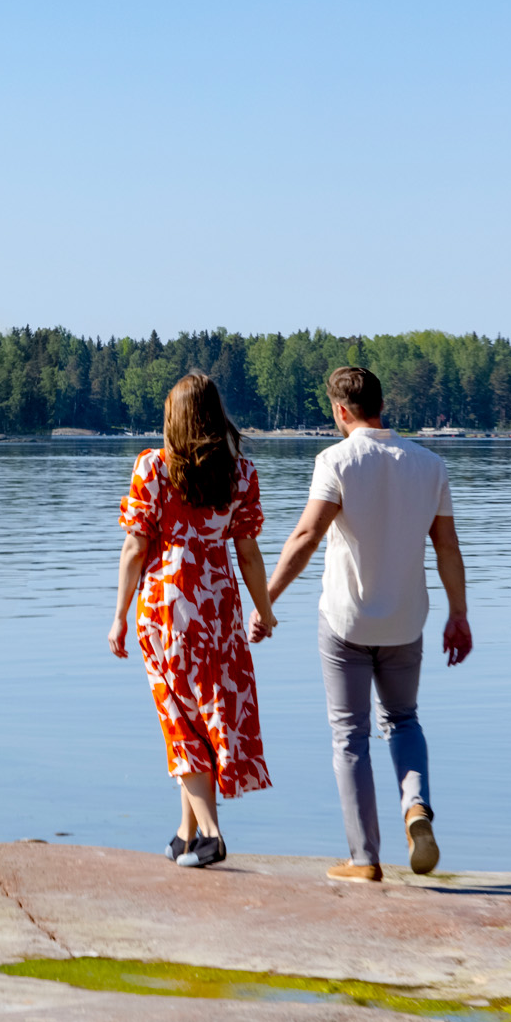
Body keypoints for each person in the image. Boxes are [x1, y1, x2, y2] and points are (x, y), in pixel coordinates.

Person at [262, 366, 472, 882]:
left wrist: (264, 602)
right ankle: (416, 808)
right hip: (406, 620)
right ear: (381, 405)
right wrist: (459, 614)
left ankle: (364, 859)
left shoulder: (335, 460)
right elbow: (447, 547)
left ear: (339, 411)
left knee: (350, 736)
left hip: (346, 622)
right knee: (403, 719)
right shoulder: (429, 464)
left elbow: (306, 537)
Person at [109, 373, 276, 869]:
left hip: (167, 607)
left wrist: (118, 615)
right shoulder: (241, 473)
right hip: (218, 607)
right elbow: (247, 553)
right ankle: (185, 833)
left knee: (179, 718)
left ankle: (211, 834)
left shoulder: (153, 468)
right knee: (202, 715)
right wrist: (264, 611)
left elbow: (136, 547)